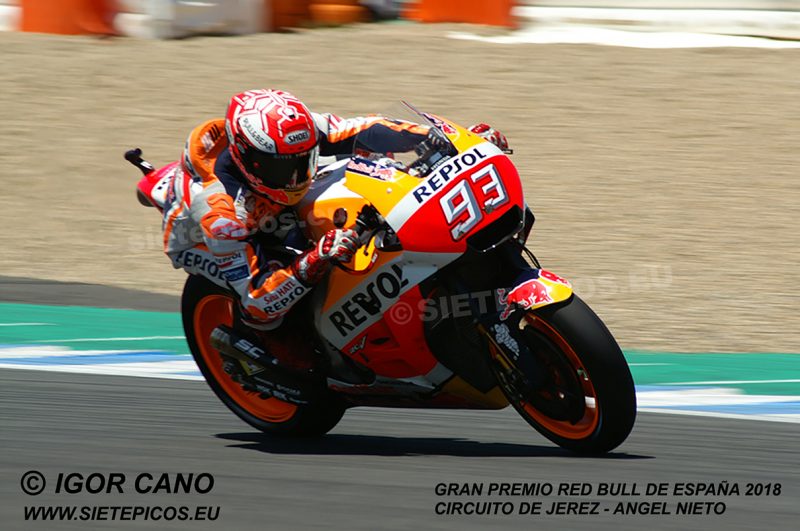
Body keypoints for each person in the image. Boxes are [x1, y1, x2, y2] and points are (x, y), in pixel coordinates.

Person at [162, 89, 509, 373]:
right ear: (247, 160)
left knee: (370, 172)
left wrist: (445, 141)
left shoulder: (294, 134)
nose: (297, 176)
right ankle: (287, 359)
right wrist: (315, 259)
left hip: (271, 207)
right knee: (283, 321)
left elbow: (367, 129)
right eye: (284, 167)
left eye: (303, 160)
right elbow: (258, 300)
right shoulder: (221, 215)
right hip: (207, 240)